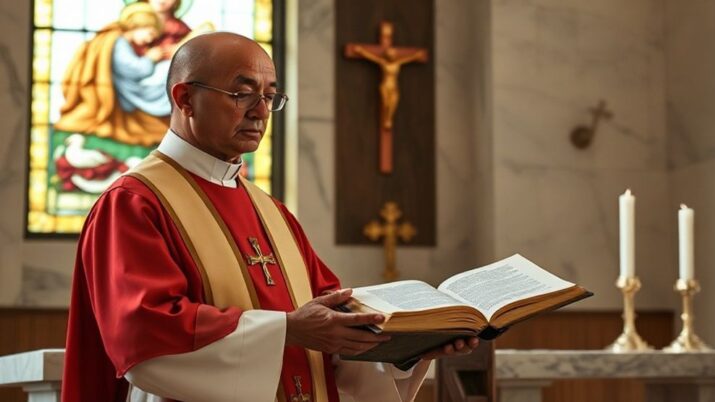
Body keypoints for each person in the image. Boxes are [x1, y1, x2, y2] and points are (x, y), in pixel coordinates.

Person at [61, 32, 478, 402]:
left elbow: (333, 327)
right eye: (243, 94)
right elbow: (144, 334)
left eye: (270, 96)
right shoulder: (135, 202)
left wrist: (410, 346)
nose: (261, 111)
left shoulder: (271, 212)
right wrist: (287, 330)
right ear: (184, 98)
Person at [55, 2, 170, 146]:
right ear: (138, 25)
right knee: (166, 80)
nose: (150, 39)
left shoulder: (119, 41)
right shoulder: (118, 42)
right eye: (150, 33)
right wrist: (150, 59)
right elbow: (135, 70)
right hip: (124, 92)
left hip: (124, 89)